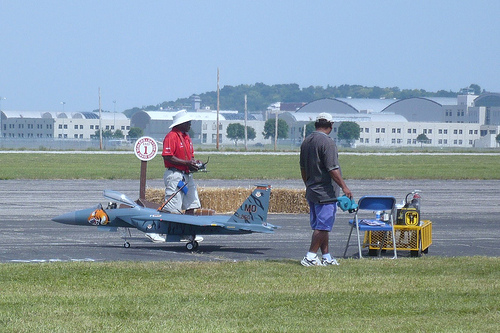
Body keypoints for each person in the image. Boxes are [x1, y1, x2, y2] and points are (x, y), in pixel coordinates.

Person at [299, 112, 353, 266]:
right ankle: (310, 256)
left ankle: (326, 257)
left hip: (312, 189)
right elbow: (332, 168)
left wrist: (307, 184)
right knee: (323, 226)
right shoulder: (327, 143)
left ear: (316, 125)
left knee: (321, 225)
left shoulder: (306, 141)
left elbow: (303, 168)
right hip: (326, 191)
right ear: (331, 125)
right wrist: (344, 187)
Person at [146, 110, 202, 242]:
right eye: (188, 122)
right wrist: (187, 163)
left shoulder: (187, 137)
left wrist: (195, 163)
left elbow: (190, 156)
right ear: (181, 123)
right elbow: (168, 156)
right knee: (171, 206)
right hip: (175, 174)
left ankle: (186, 232)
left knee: (191, 204)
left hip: (186, 175)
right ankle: (154, 230)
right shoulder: (171, 136)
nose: (190, 124)